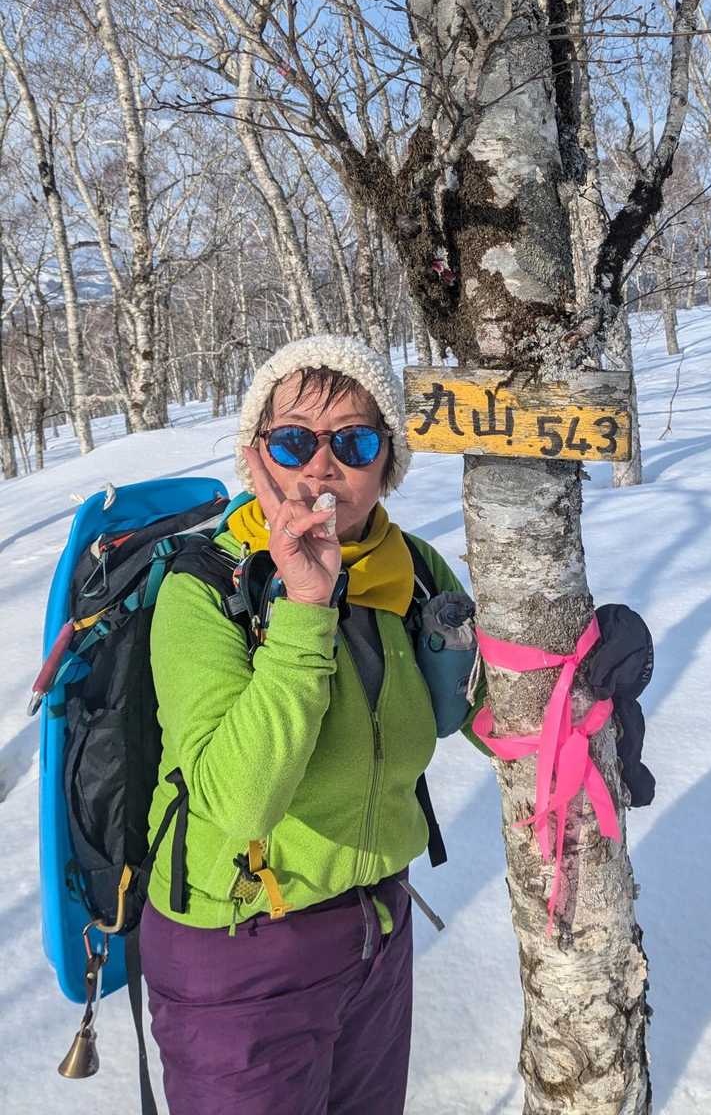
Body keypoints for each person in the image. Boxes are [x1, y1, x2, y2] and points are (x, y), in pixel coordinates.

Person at [138, 334, 467, 1115]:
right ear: (256, 455)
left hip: (375, 925)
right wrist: (306, 607)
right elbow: (241, 804)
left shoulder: (412, 571)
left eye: (353, 442)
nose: (320, 468)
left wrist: (575, 683)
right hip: (237, 952)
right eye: (293, 441)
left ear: (387, 462)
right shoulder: (203, 590)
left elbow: (487, 709)